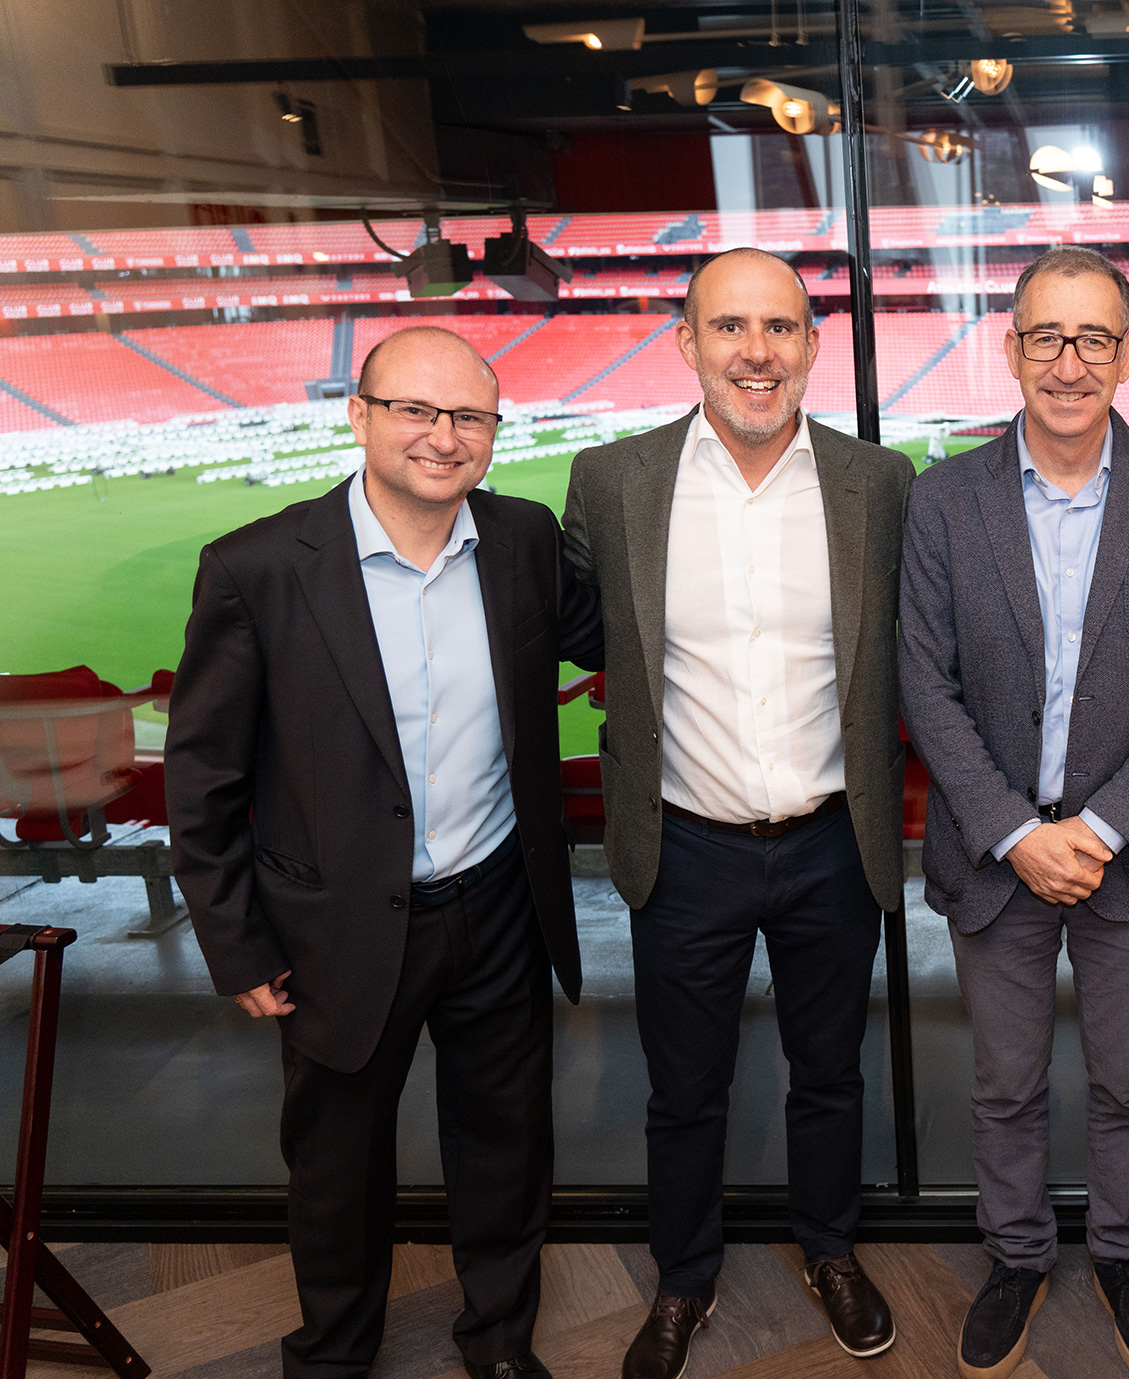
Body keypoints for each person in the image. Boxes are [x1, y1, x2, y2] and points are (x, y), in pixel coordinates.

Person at [166, 326, 606, 1379]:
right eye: (416, 409)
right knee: (336, 1166)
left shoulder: (524, 539)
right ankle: (333, 1354)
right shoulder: (256, 568)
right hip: (335, 926)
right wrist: (236, 942)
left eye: (470, 416)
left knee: (506, 1146)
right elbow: (203, 774)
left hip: (499, 902)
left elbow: (623, 634)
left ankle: (499, 1343)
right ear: (359, 415)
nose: (444, 436)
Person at [560, 247, 913, 1373]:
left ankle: (830, 1249)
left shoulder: (879, 483)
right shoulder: (611, 481)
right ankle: (684, 1276)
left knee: (831, 1073)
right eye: (728, 326)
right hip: (683, 847)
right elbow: (572, 628)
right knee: (683, 1089)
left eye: (779, 327)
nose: (755, 352)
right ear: (686, 342)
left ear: (811, 344)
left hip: (832, 841)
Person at [899, 245, 1129, 1379]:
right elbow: (924, 682)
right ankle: (1015, 1254)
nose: (1069, 361)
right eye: (1047, 335)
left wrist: (1095, 830)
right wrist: (1016, 831)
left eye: (1095, 337)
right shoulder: (943, 499)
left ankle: (1125, 1252)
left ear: (1128, 354)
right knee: (1004, 1085)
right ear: (1011, 349)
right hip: (993, 853)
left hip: (1128, 857)